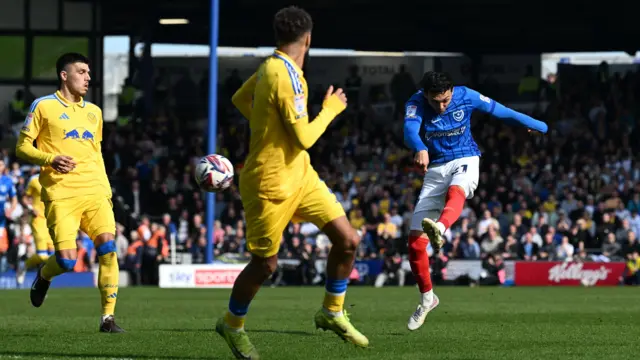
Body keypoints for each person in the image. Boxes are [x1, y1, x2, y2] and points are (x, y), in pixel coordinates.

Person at [216, 6, 368, 359]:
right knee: (264, 265)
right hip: (270, 183)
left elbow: (241, 99)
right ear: (308, 38)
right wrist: (331, 108)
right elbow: (304, 138)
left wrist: (267, 128)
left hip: (301, 175)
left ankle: (331, 311)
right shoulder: (285, 75)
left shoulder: (273, 66)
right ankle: (231, 324)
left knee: (347, 240)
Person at [403, 71, 548, 331]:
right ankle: (428, 299)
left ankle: (441, 228)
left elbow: (501, 111)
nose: (442, 106)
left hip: (466, 157)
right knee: (415, 246)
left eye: (445, 100)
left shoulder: (466, 95)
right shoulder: (415, 102)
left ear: (451, 91)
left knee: (457, 191)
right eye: (436, 102)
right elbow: (409, 129)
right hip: (436, 167)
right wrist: (420, 147)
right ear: (425, 94)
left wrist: (537, 124)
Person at [15, 52, 123, 333]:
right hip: (61, 193)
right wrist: (50, 159)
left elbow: (95, 152)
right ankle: (44, 274)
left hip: (95, 191)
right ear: (64, 75)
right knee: (66, 260)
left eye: (89, 72)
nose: (88, 77)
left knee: (108, 249)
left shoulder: (95, 112)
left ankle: (107, 319)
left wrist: (105, 187)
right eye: (82, 72)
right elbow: (22, 148)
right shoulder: (43, 106)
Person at [23, 171, 55, 269]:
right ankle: (24, 265)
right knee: (42, 256)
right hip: (38, 219)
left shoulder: (58, 179)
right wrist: (31, 209)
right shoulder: (34, 180)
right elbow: (25, 198)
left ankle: (44, 278)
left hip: (52, 220)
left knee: (53, 256)